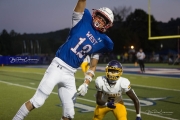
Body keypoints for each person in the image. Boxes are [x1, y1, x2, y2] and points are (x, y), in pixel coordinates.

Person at [13, 0, 114, 120]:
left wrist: (86, 83)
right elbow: (81, 1)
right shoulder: (82, 20)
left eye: (104, 20)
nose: (100, 20)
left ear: (107, 25)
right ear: (94, 14)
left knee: (69, 114)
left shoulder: (103, 42)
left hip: (70, 74)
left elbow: (92, 66)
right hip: (57, 66)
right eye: (99, 17)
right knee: (37, 101)